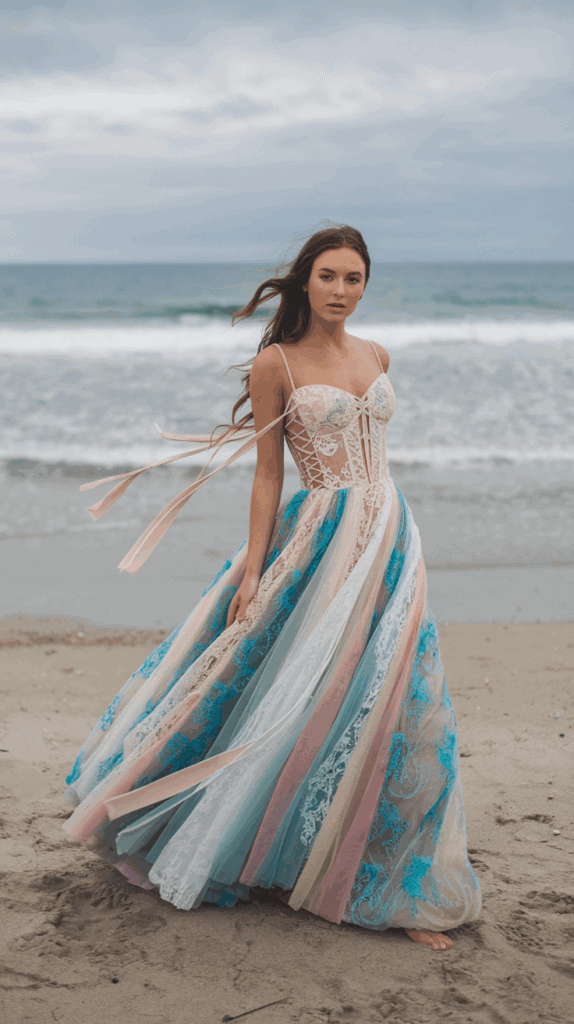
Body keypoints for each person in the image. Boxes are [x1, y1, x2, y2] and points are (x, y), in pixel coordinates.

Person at [63, 225, 481, 952]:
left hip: (390, 535)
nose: (341, 291)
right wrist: (254, 568)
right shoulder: (276, 363)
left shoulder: (377, 354)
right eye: (328, 276)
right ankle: (261, 842)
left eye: (354, 278)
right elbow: (267, 473)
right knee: (294, 686)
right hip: (320, 538)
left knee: (396, 694)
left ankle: (387, 873)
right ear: (304, 281)